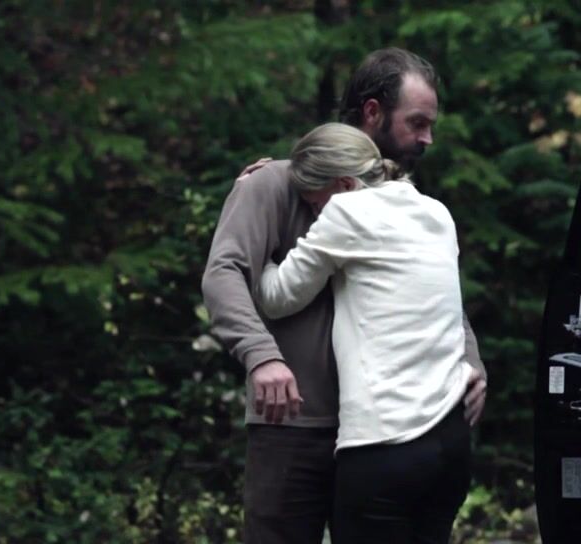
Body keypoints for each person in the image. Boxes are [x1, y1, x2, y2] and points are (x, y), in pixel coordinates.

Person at [200, 48, 487, 544]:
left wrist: (470, 359)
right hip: (295, 425)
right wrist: (260, 354)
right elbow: (224, 273)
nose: (427, 138)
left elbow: (438, 296)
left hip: (388, 434)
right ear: (373, 112)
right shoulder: (273, 184)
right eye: (417, 122)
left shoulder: (409, 203)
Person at [258, 122, 472, 544]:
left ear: (344, 184)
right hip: (452, 442)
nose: (315, 215)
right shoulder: (436, 212)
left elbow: (278, 296)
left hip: (385, 443)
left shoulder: (347, 211)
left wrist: (261, 250)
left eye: (315, 204)